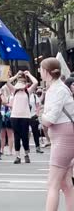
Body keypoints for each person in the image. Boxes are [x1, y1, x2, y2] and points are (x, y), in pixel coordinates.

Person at [40, 58, 74, 211]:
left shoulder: (57, 89)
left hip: (63, 137)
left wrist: (41, 116)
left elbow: (50, 120)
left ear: (46, 72)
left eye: (41, 69)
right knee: (65, 184)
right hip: (64, 136)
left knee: (52, 184)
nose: (40, 72)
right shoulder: (57, 87)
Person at [6, 71, 38, 164]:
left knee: (25, 136)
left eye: (22, 83)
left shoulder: (28, 91)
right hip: (15, 116)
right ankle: (17, 156)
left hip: (25, 116)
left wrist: (29, 74)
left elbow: (35, 82)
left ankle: (26, 154)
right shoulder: (13, 90)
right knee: (16, 135)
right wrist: (16, 76)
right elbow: (6, 81)